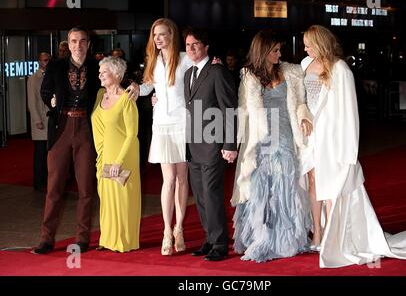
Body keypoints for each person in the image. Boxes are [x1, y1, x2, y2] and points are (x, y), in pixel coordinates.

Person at [301, 24, 406, 268]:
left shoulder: (340, 69)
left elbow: (350, 113)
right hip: (310, 137)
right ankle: (316, 233)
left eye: (308, 43)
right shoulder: (305, 65)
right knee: (314, 182)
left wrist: (348, 151)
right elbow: (302, 100)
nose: (305, 48)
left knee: (332, 186)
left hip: (331, 139)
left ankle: (330, 238)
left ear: (320, 43)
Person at [231, 30, 313, 263]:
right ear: (263, 51)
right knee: (261, 191)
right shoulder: (249, 76)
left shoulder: (291, 72)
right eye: (275, 50)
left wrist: (305, 115)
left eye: (279, 50)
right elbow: (243, 111)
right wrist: (234, 144)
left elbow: (301, 103)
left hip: (286, 137)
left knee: (285, 188)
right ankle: (263, 239)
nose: (279, 54)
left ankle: (285, 240)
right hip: (261, 141)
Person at [31, 26, 100, 254]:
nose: (77, 46)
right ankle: (46, 239)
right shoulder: (56, 66)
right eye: (73, 41)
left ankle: (82, 238)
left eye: (81, 41)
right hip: (61, 128)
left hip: (86, 130)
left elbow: (112, 87)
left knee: (86, 188)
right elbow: (44, 91)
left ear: (88, 44)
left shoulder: (97, 66)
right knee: (54, 188)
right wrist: (52, 102)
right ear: (67, 44)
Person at [127, 18, 191, 255]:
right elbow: (147, 87)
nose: (158, 39)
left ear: (172, 35)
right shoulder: (152, 62)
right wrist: (136, 88)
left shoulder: (185, 59)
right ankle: (167, 230)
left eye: (162, 34)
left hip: (183, 122)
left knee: (182, 178)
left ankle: (180, 228)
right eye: (155, 35)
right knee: (169, 179)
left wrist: (213, 63)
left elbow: (198, 81)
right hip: (162, 124)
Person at [183, 28, 238, 262]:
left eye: (196, 44)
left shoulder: (217, 72)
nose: (191, 48)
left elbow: (229, 110)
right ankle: (209, 238)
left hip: (214, 145)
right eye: (187, 45)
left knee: (212, 194)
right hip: (193, 145)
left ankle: (220, 243)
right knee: (201, 196)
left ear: (206, 47)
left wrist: (230, 144)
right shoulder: (188, 75)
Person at [91, 56, 141, 252]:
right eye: (100, 71)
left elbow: (132, 135)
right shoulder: (99, 94)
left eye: (104, 71)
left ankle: (123, 241)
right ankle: (107, 239)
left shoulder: (127, 100)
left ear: (117, 74)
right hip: (103, 155)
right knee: (106, 198)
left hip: (122, 156)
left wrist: (119, 162)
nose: (100, 74)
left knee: (122, 200)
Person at [27, 52, 50, 192]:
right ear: (39, 62)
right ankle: (39, 182)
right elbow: (32, 102)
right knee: (40, 152)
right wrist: (37, 120)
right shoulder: (33, 79)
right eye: (44, 60)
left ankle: (46, 179)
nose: (46, 63)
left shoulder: (50, 76)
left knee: (48, 152)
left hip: (49, 119)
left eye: (48, 60)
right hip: (40, 120)